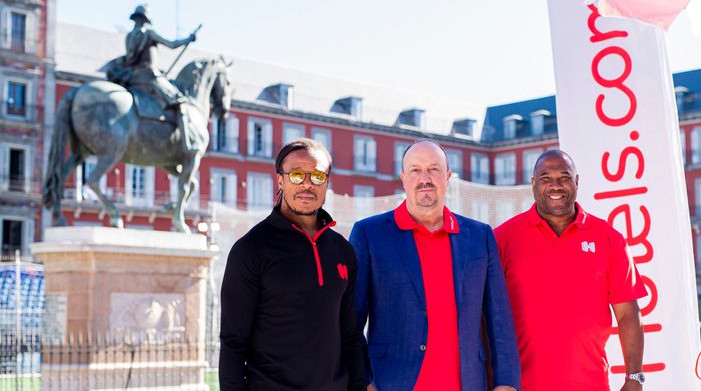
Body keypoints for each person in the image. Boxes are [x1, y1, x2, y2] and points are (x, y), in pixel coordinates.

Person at [350, 139, 520, 391]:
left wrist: (506, 382)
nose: (425, 178)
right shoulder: (368, 234)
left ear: (448, 176)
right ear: (403, 178)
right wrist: (362, 381)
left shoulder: (480, 236)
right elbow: (350, 319)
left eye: (434, 169)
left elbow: (499, 317)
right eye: (416, 170)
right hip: (391, 383)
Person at [494, 149, 647, 391]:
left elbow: (628, 314)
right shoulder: (502, 239)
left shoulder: (609, 239)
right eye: (546, 178)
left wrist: (634, 377)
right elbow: (485, 317)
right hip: (521, 386)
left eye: (564, 177)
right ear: (533, 184)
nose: (555, 186)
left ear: (576, 181)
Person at [219, 138, 365, 391]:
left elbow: (350, 334)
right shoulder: (250, 249)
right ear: (280, 180)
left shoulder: (343, 251)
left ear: (327, 182)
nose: (307, 183)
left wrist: (360, 385)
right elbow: (233, 341)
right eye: (297, 175)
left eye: (318, 176)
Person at [107, 4, 199, 150]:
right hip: (150, 77)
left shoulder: (130, 36)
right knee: (180, 102)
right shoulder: (149, 33)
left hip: (132, 78)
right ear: (146, 19)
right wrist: (188, 39)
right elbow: (172, 44)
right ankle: (187, 143)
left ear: (135, 19)